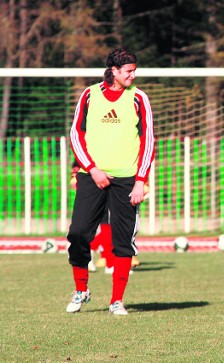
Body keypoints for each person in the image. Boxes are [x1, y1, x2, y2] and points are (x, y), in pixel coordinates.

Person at [66, 48, 155, 316]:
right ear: (114, 71)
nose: (133, 75)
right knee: (79, 233)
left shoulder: (139, 98)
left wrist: (141, 180)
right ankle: (81, 290)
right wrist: (91, 169)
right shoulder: (90, 95)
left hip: (127, 180)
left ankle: (117, 300)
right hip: (91, 176)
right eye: (128, 71)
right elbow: (76, 134)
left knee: (122, 241)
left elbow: (148, 140)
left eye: (134, 70)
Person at [70, 160, 141, 274]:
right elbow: (75, 176)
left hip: (112, 186)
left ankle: (93, 251)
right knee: (106, 225)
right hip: (96, 190)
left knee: (111, 225)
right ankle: (110, 263)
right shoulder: (85, 152)